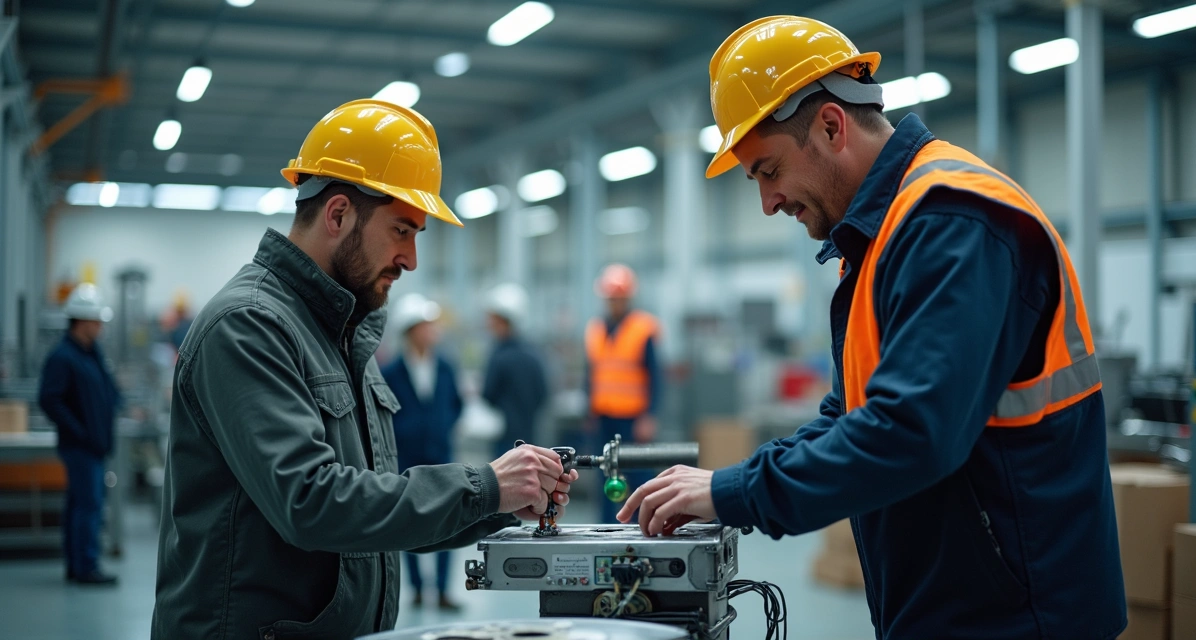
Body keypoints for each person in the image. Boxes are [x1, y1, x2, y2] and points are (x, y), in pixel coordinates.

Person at [618, 16, 1125, 640]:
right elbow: (847, 413)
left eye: (769, 171)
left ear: (831, 126)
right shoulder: (882, 240)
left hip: (1019, 616)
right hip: (959, 606)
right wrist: (731, 481)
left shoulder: (951, 223)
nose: (768, 204)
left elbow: (911, 433)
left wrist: (737, 492)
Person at [151, 99, 578, 639]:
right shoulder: (248, 326)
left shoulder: (343, 335)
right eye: (402, 230)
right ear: (337, 215)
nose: (412, 259)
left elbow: (373, 511)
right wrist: (483, 485)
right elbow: (310, 501)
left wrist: (502, 504)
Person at [380, 294, 463, 611]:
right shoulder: (391, 372)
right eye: (427, 325)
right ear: (411, 330)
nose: (433, 331)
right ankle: (416, 587)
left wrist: (442, 427)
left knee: (449, 519)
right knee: (409, 521)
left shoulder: (445, 367)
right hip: (406, 457)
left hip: (441, 453)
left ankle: (442, 589)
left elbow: (456, 404)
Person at [38, 283, 123, 586]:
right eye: (96, 321)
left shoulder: (91, 353)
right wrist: (79, 430)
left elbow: (107, 389)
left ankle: (77, 565)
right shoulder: (63, 357)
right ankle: (86, 566)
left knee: (80, 504)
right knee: (89, 506)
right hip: (80, 446)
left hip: (94, 443)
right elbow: (49, 399)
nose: (100, 327)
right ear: (81, 321)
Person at [585, 264, 661, 522]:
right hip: (604, 415)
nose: (615, 303)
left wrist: (649, 416)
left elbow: (656, 376)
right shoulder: (596, 329)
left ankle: (643, 524)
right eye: (611, 298)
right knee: (606, 474)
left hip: (633, 417)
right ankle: (609, 526)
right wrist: (590, 410)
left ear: (628, 298)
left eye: (619, 298)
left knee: (637, 475)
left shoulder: (643, 328)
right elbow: (592, 373)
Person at [483, 283, 549, 457]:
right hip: (529, 437)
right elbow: (543, 393)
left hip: (503, 439)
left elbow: (488, 394)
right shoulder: (533, 354)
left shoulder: (499, 356)